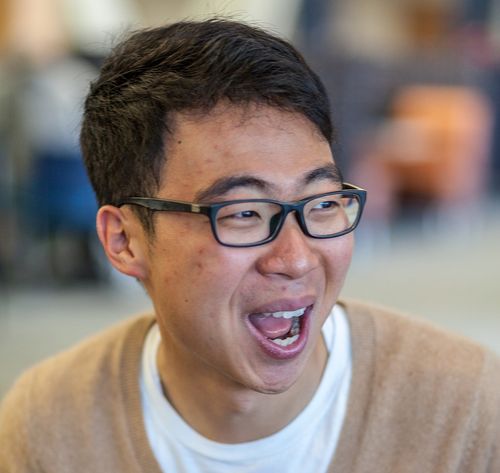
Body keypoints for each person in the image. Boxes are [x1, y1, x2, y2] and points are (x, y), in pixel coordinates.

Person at [0, 18, 499, 473]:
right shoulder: (47, 429)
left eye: (322, 204)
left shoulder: (470, 411)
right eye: (243, 214)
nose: (296, 258)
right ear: (124, 240)